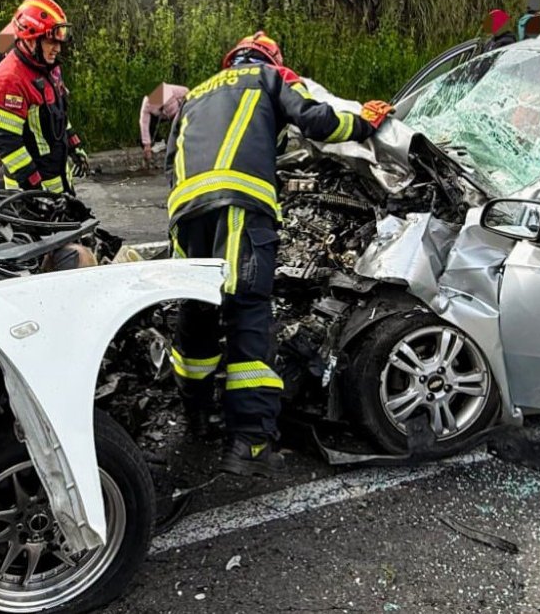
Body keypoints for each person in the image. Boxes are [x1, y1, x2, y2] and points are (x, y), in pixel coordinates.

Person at [165, 30, 393, 477]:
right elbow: (318, 121)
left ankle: (197, 414)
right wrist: (365, 122)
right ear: (270, 59)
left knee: (197, 311)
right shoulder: (271, 77)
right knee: (247, 313)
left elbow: (171, 158)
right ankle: (249, 444)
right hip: (239, 207)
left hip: (186, 213)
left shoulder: (196, 94)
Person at [0, 0, 89, 195]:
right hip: (30, 195)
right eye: (51, 42)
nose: (57, 49)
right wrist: (34, 188)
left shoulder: (48, 67)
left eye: (59, 42)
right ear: (30, 39)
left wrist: (74, 146)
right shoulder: (10, 79)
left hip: (58, 184)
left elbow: (58, 115)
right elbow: (8, 143)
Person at [140, 83, 187, 166]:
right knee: (149, 127)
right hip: (161, 116)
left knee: (179, 127)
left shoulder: (175, 91)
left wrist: (181, 106)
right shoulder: (147, 104)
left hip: (177, 113)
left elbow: (188, 94)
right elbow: (144, 123)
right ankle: (151, 149)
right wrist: (147, 144)